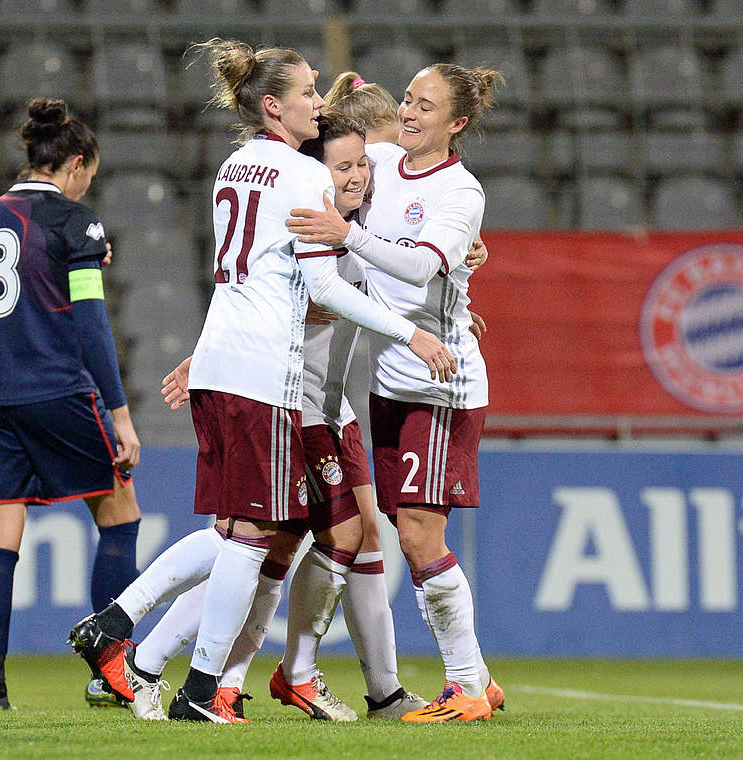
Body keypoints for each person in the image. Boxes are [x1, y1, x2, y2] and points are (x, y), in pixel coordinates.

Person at [69, 39, 456, 724]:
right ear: (274, 105)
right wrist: (410, 331)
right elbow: (321, 287)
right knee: (254, 536)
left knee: (245, 531)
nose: (318, 102)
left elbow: (249, 273)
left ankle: (145, 646)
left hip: (223, 360)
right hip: (262, 374)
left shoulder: (233, 167)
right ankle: (189, 679)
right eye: (307, 92)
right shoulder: (304, 178)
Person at [130, 112, 434, 723]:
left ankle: (299, 678)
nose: (359, 176)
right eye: (344, 166)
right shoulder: (310, 225)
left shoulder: (356, 229)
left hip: (330, 405)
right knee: (262, 539)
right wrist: (207, 355)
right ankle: (172, 659)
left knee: (327, 536)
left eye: (363, 164)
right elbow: (276, 302)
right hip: (292, 402)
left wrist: (451, 288)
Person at [286, 66, 507, 722]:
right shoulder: (383, 158)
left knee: (417, 535)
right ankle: (478, 680)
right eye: (408, 99)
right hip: (393, 383)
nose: (409, 113)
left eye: (425, 106)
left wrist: (346, 235)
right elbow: (331, 154)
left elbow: (416, 263)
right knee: (408, 531)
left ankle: (465, 687)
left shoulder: (459, 192)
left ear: (456, 123)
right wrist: (337, 96)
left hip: (438, 386)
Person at [0, 97, 144, 710]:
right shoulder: (77, 221)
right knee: (121, 517)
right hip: (58, 389)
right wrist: (120, 413)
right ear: (74, 163)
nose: (85, 187)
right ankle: (108, 672)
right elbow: (92, 323)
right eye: (87, 176)